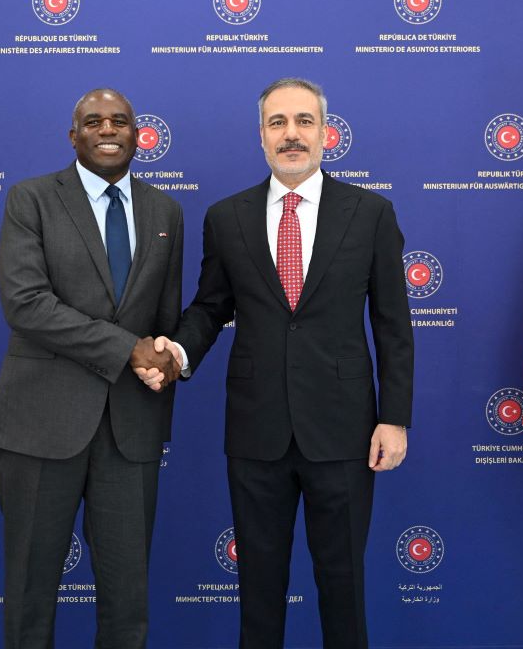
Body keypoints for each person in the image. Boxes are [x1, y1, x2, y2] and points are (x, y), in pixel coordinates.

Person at [140, 78, 413, 648]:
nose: (292, 134)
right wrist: (177, 352)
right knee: (259, 592)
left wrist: (394, 417)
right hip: (256, 431)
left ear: (326, 133)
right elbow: (210, 307)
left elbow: (392, 324)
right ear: (261, 137)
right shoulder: (226, 217)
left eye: (304, 121)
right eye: (278, 123)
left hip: (344, 431)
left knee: (344, 587)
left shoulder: (371, 213)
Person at [0, 88, 184, 649]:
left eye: (120, 120)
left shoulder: (166, 211)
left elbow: (163, 319)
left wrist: (165, 358)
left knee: (128, 603)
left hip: (130, 429)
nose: (108, 129)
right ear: (73, 137)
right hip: (40, 426)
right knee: (30, 595)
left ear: (138, 135)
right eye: (94, 122)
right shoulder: (31, 199)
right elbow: (26, 304)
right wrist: (128, 349)